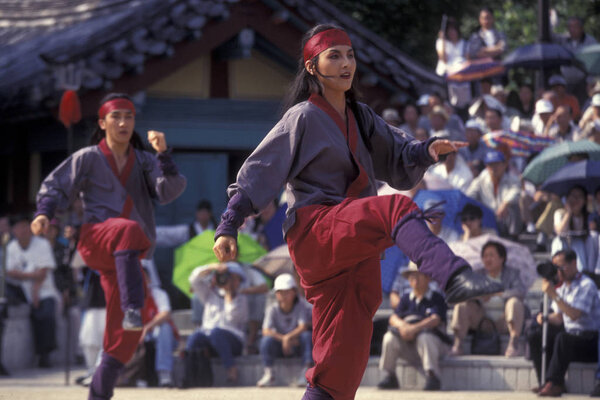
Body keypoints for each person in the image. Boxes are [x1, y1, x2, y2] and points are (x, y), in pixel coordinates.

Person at [211, 24, 503, 400]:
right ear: (312, 67)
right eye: (334, 55)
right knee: (396, 207)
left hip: (354, 242)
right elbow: (261, 170)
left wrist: (427, 151)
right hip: (317, 230)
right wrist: (229, 224)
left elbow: (397, 153)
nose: (346, 62)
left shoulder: (362, 117)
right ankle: (455, 277)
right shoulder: (301, 117)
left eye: (350, 54)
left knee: (340, 371)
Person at [30, 93, 187, 400]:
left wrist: (163, 155)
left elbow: (168, 191)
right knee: (127, 229)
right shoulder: (88, 157)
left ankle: (99, 393)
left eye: (129, 116)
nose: (123, 122)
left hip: (126, 258)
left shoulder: (143, 160)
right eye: (116, 117)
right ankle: (131, 307)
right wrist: (43, 214)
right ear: (102, 123)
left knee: (129, 333)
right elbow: (55, 185)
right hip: (96, 239)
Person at [530, 249, 600, 396]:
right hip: (571, 339)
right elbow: (559, 317)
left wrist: (554, 295)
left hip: (589, 340)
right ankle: (546, 382)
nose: (558, 272)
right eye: (556, 268)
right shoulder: (562, 287)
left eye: (561, 267)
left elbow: (574, 315)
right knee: (537, 335)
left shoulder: (586, 285)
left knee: (563, 338)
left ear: (574, 264)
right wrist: (545, 318)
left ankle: (554, 383)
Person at [377, 262, 450, 391]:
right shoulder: (405, 298)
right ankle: (390, 375)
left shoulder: (436, 298)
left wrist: (414, 328)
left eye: (418, 275)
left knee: (426, 337)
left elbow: (435, 319)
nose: (414, 279)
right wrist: (403, 326)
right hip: (409, 343)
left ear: (427, 278)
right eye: (411, 276)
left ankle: (432, 376)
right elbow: (393, 318)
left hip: (433, 344)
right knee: (389, 337)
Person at [450, 241, 527, 357]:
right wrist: (479, 294)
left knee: (515, 302)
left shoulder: (512, 274)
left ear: (502, 258)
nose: (487, 259)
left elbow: (520, 292)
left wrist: (497, 293)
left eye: (491, 255)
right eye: (485, 256)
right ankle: (458, 344)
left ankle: (513, 343)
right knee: (461, 305)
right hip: (481, 320)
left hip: (504, 321)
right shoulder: (476, 274)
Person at [6, 214, 59, 368]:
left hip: (44, 290)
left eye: (26, 226)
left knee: (45, 312)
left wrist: (32, 285)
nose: (23, 230)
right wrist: (31, 275)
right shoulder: (11, 247)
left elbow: (42, 273)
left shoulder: (42, 244)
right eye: (19, 226)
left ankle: (45, 354)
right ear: (13, 230)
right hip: (21, 290)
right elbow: (9, 272)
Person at [186, 262, 248, 385]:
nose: (232, 282)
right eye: (228, 277)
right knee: (195, 336)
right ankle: (191, 375)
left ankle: (231, 369)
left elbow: (232, 319)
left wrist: (229, 295)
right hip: (210, 339)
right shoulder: (210, 294)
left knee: (216, 333)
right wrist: (212, 267)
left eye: (235, 279)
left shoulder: (241, 299)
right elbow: (194, 280)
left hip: (233, 341)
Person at [257, 273, 313, 387]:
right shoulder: (272, 308)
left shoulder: (301, 305)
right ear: (276, 294)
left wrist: (288, 338)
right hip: (280, 344)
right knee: (265, 341)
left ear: (294, 292)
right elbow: (265, 330)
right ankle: (269, 373)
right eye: (280, 292)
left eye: (287, 292)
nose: (284, 295)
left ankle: (305, 372)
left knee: (307, 336)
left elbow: (303, 327)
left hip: (296, 343)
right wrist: (284, 339)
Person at [466, 150, 522, 238]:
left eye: (497, 164)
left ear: (504, 165)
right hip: (487, 216)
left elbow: (516, 191)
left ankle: (513, 236)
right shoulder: (481, 179)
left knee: (513, 205)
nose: (494, 168)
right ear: (486, 167)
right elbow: (469, 195)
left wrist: (505, 203)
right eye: (490, 165)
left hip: (504, 216)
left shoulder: (512, 179)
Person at [551, 185, 599, 274]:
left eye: (579, 197)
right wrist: (569, 212)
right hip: (565, 244)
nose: (576, 199)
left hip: (583, 246)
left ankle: (589, 272)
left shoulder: (588, 216)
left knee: (591, 237)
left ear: (584, 200)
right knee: (560, 241)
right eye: (573, 196)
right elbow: (560, 232)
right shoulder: (560, 213)